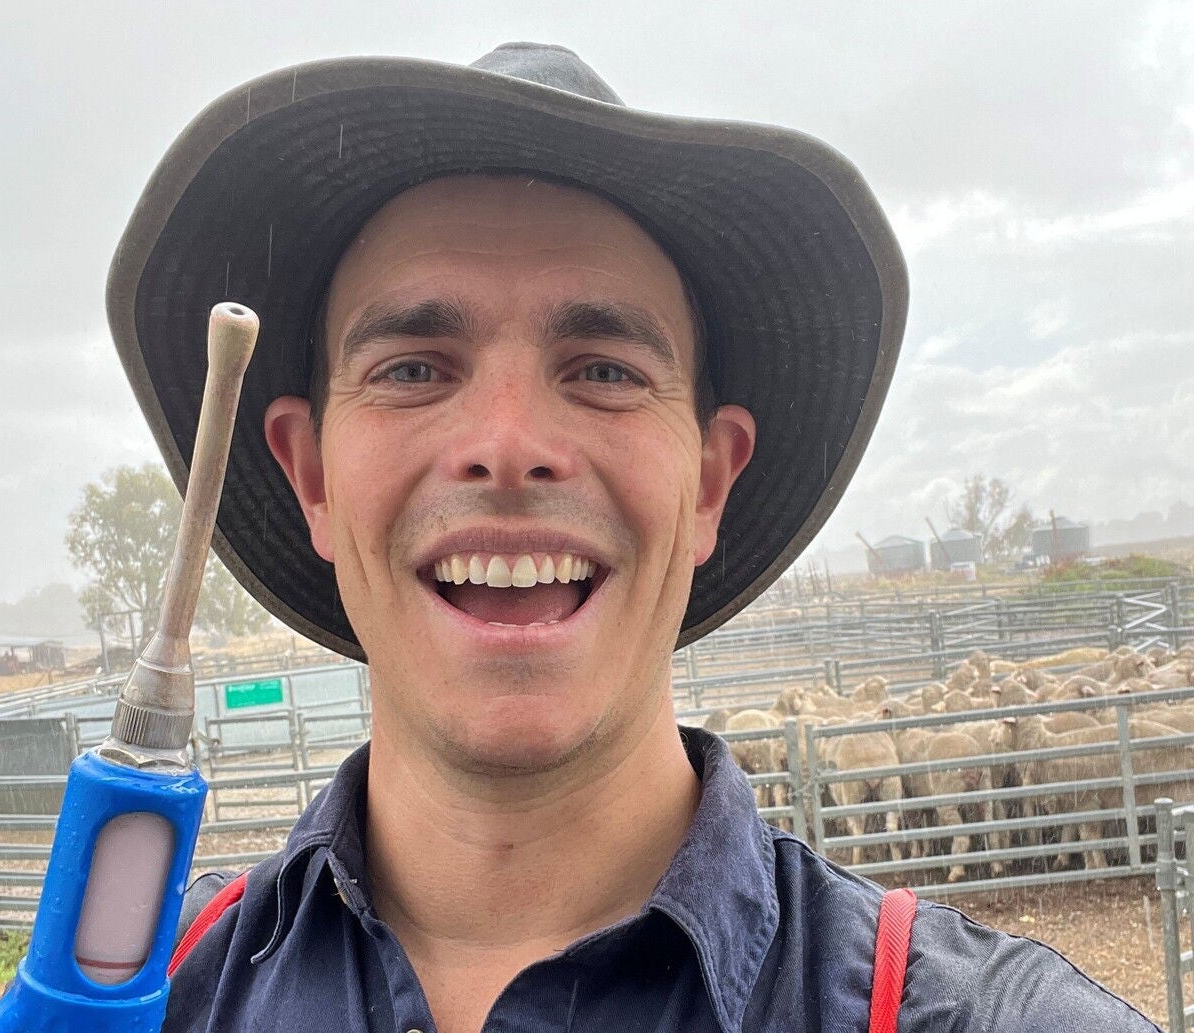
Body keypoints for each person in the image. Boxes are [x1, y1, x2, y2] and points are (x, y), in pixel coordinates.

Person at [107, 42, 1160, 1033]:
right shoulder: (135, 996)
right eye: (415, 367)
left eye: (604, 370)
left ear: (709, 481)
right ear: (314, 476)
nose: (509, 446)